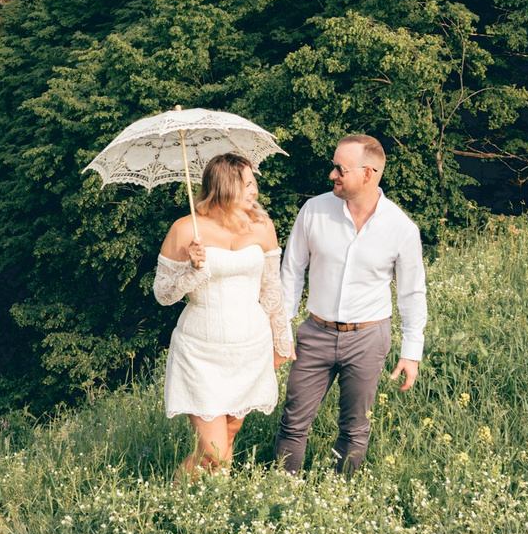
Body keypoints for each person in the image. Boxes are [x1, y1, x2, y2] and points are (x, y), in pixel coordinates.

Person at [275, 133, 426, 475]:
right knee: (293, 423)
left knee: (355, 428)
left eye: (340, 169)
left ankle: (337, 496)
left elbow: (412, 294)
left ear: (368, 174)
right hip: (315, 334)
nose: (333, 175)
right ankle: (282, 494)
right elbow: (291, 271)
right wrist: (282, 328)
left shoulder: (401, 228)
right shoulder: (314, 210)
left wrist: (411, 354)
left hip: (369, 337)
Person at [152, 154, 296, 475]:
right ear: (225, 185)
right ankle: (174, 493)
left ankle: (205, 508)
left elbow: (271, 289)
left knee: (227, 440)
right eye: (247, 184)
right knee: (213, 451)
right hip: (201, 352)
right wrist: (191, 269)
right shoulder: (185, 228)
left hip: (249, 349)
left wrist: (282, 340)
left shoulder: (262, 226)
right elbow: (162, 294)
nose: (254, 190)